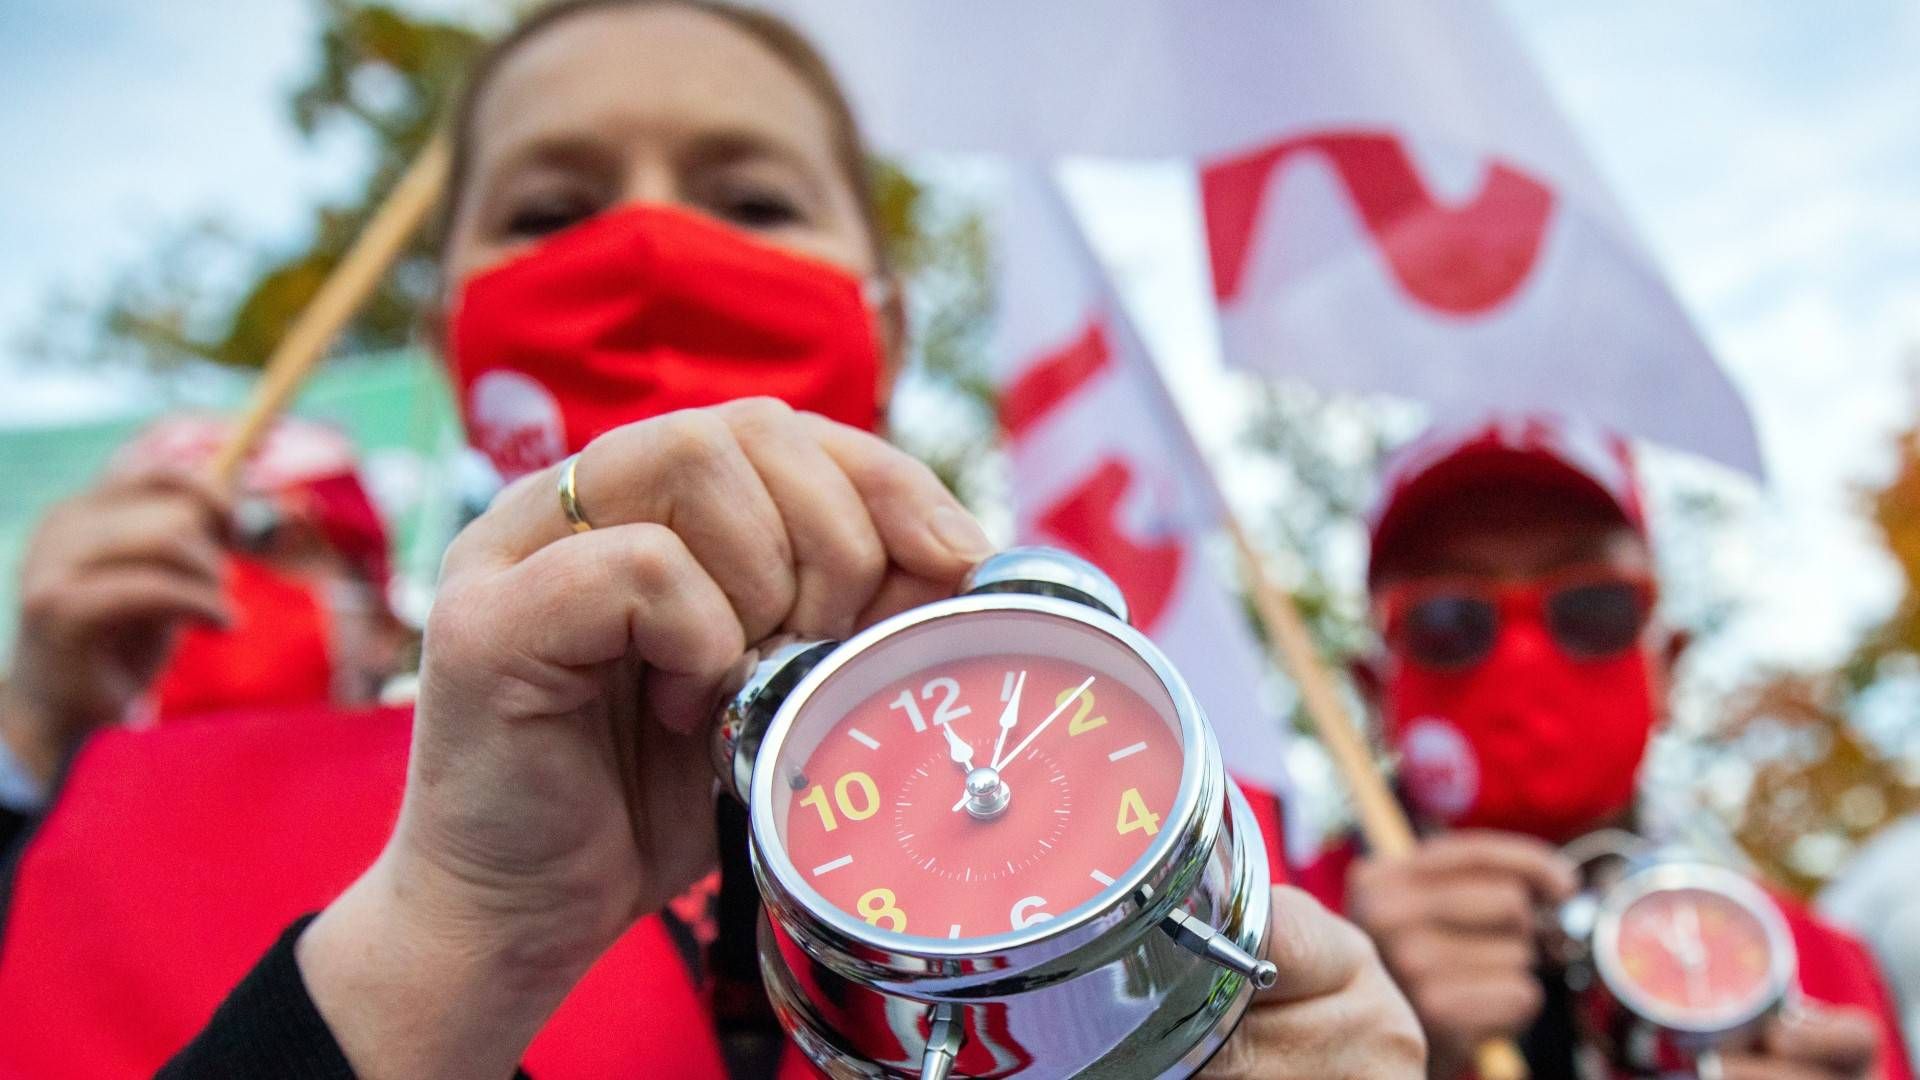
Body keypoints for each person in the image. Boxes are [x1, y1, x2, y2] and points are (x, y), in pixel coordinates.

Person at [0, 3, 1426, 1077]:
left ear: (884, 317)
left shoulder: (1172, 819)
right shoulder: (137, 821)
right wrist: (434, 957)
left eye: (751, 202)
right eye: (553, 209)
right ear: (448, 337)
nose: (648, 246)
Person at [1334, 414, 1912, 1080]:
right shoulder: (1265, 959)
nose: (1524, 660)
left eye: (1591, 609)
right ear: (1372, 694)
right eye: (1449, 619)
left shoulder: (1814, 969)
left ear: (1666, 664)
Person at [0, 414, 403, 849]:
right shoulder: (77, 851)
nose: (210, 588)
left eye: (262, 536)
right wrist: (37, 742)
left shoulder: (451, 847)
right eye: (155, 560)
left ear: (381, 619)